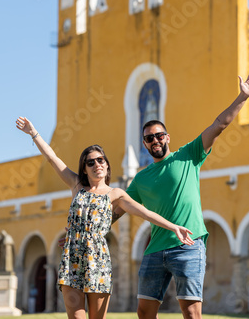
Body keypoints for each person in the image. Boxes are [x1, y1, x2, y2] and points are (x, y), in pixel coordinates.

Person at [112, 69, 249, 319]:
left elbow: (219, 125)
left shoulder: (188, 155)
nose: (155, 140)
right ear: (145, 143)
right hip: (154, 249)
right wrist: (87, 231)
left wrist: (242, 97)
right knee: (144, 313)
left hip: (188, 246)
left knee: (192, 313)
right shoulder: (140, 179)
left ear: (167, 137)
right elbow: (119, 209)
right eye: (149, 138)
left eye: (159, 135)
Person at [15, 117, 194, 319]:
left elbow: (146, 213)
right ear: (84, 168)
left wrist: (174, 227)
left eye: (100, 160)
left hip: (97, 261)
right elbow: (52, 158)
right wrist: (34, 133)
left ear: (107, 166)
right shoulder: (76, 185)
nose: (96, 164)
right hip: (72, 259)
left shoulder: (116, 195)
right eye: (90, 162)